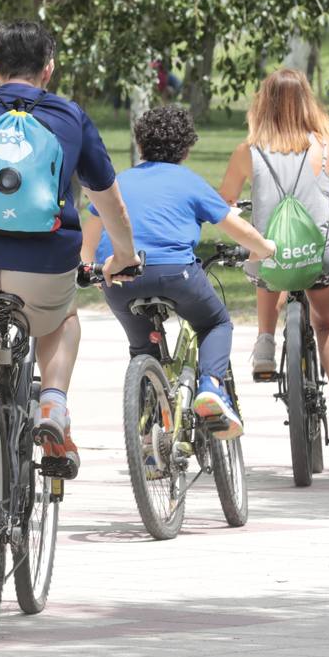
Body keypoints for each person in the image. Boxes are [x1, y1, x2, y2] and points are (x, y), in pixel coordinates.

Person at [0, 20, 139, 590]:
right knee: (62, 318)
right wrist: (125, 255)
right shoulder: (69, 117)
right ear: (49, 69)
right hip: (42, 269)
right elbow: (106, 200)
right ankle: (52, 402)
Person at [80, 106, 276, 439]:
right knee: (215, 322)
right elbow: (236, 228)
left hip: (120, 276)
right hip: (176, 273)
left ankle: (148, 441)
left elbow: (89, 237)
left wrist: (93, 271)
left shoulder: (118, 182)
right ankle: (211, 387)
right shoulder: (189, 181)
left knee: (142, 348)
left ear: (140, 145)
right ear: (186, 149)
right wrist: (264, 249)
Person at [219, 68, 329, 442]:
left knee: (266, 259)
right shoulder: (327, 146)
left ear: (263, 104)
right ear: (308, 102)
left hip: (272, 256)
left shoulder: (248, 151)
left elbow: (225, 199)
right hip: (321, 254)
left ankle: (264, 343)